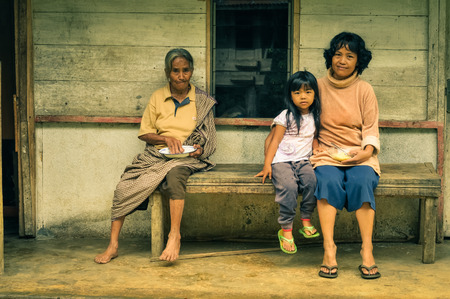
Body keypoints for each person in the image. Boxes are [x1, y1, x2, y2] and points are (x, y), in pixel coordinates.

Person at [94, 48, 217, 263]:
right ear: (167, 72)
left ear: (192, 71)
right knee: (124, 185)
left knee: (174, 178)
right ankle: (113, 245)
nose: (181, 76)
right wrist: (165, 138)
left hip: (186, 158)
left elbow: (210, 138)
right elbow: (144, 133)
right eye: (175, 71)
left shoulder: (202, 100)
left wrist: (199, 150)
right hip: (155, 156)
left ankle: (174, 236)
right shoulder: (158, 97)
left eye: (185, 70)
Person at [310, 32, 381, 279]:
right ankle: (329, 249)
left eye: (349, 56)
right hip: (327, 154)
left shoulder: (365, 89)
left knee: (362, 181)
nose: (342, 60)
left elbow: (371, 129)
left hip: (359, 152)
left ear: (358, 61)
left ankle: (367, 249)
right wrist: (315, 144)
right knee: (327, 180)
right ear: (330, 57)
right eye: (338, 54)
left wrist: (366, 153)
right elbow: (306, 121)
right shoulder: (316, 86)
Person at [255, 71, 321, 254]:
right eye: (297, 92)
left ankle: (306, 218)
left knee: (312, 181)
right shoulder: (286, 115)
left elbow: (313, 137)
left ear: (315, 94)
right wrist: (267, 165)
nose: (303, 96)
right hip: (281, 161)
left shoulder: (315, 115)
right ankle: (286, 230)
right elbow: (274, 141)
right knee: (289, 187)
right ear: (290, 95)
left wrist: (316, 148)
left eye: (308, 92)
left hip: (303, 160)